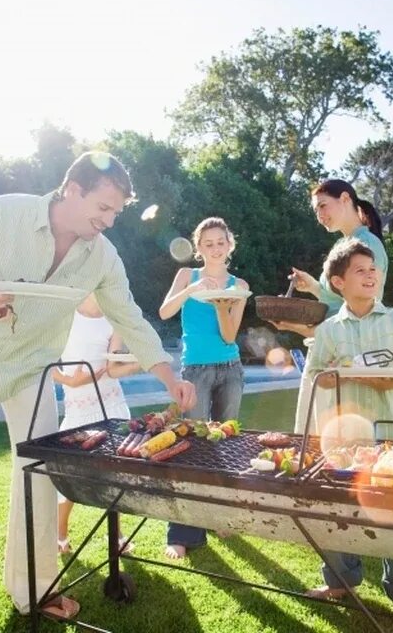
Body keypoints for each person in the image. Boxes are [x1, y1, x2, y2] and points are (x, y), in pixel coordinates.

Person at [0, 151, 196, 633]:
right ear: (72, 189)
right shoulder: (1, 211)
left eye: (116, 212)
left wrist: (166, 374)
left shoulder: (101, 255)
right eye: (104, 207)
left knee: (37, 475)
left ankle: (35, 588)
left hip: (31, 368)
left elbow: (129, 317)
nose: (109, 220)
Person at [303, 238, 393, 633]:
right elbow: (315, 379)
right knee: (338, 509)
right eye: (360, 270)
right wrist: (337, 373)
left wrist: (374, 378)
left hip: (391, 432)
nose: (371, 274)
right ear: (338, 283)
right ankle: (340, 582)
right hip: (343, 436)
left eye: (373, 268)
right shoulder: (327, 330)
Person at [158, 217, 249, 559]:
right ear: (199, 249)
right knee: (190, 445)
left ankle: (219, 516)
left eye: (220, 242)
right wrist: (192, 291)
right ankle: (180, 532)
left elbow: (229, 336)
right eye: (208, 243)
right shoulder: (187, 276)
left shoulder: (239, 284)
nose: (215, 248)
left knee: (225, 444)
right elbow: (165, 312)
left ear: (229, 245)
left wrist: (224, 304)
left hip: (230, 368)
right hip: (194, 369)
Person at [270, 179, 389, 435]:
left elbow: (361, 309)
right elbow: (337, 300)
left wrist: (298, 327)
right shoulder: (343, 244)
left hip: (349, 355)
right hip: (329, 350)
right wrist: (314, 286)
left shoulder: (367, 245)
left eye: (323, 206)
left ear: (346, 199)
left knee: (341, 439)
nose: (320, 216)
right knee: (315, 436)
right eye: (316, 211)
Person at [52, 292, 139, 555]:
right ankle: (60, 534)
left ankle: (116, 536)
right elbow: (42, 360)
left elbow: (112, 369)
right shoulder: (65, 311)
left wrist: (139, 362)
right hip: (79, 408)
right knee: (68, 475)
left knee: (115, 473)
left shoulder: (114, 318)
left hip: (112, 406)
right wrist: (70, 382)